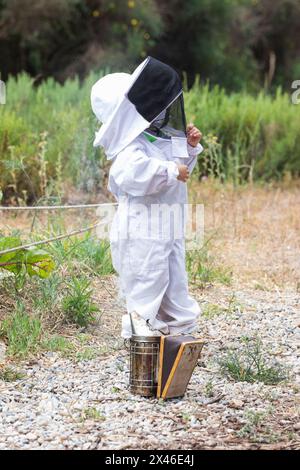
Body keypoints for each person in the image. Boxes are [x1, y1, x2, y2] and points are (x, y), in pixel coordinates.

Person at [91, 56, 203, 338]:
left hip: (167, 228)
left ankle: (179, 331)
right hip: (143, 233)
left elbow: (180, 170)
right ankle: (141, 340)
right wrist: (169, 170)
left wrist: (189, 149)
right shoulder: (128, 149)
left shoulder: (155, 139)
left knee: (174, 282)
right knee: (148, 283)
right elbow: (135, 175)